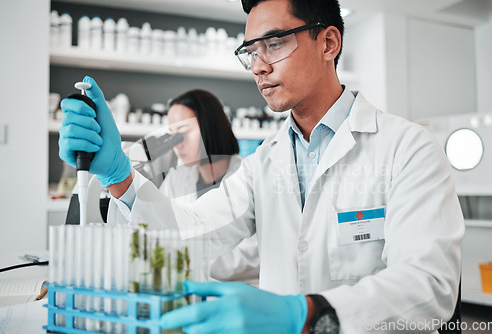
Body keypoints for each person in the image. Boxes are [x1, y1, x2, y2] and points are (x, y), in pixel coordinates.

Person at [58, 0, 464, 333]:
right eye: (250, 51)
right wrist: (121, 178)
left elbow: (428, 287)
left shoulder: (408, 148)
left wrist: (304, 314)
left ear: (328, 43)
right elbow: (189, 234)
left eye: (273, 43)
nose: (258, 66)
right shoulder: (264, 163)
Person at [160, 89, 260, 284]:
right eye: (171, 135)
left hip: (238, 293)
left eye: (183, 132)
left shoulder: (249, 177)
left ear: (209, 127)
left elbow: (253, 254)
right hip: (185, 288)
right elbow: (159, 227)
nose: (177, 144)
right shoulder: (176, 179)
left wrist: (186, 258)